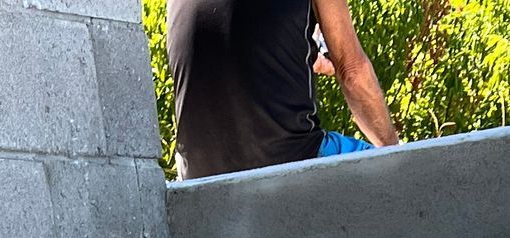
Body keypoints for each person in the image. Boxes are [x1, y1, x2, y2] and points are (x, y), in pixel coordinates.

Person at [168, 0, 400, 181]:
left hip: (196, 176)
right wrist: (397, 154)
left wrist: (306, 57)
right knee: (391, 178)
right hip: (292, 160)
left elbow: (229, 48)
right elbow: (352, 72)